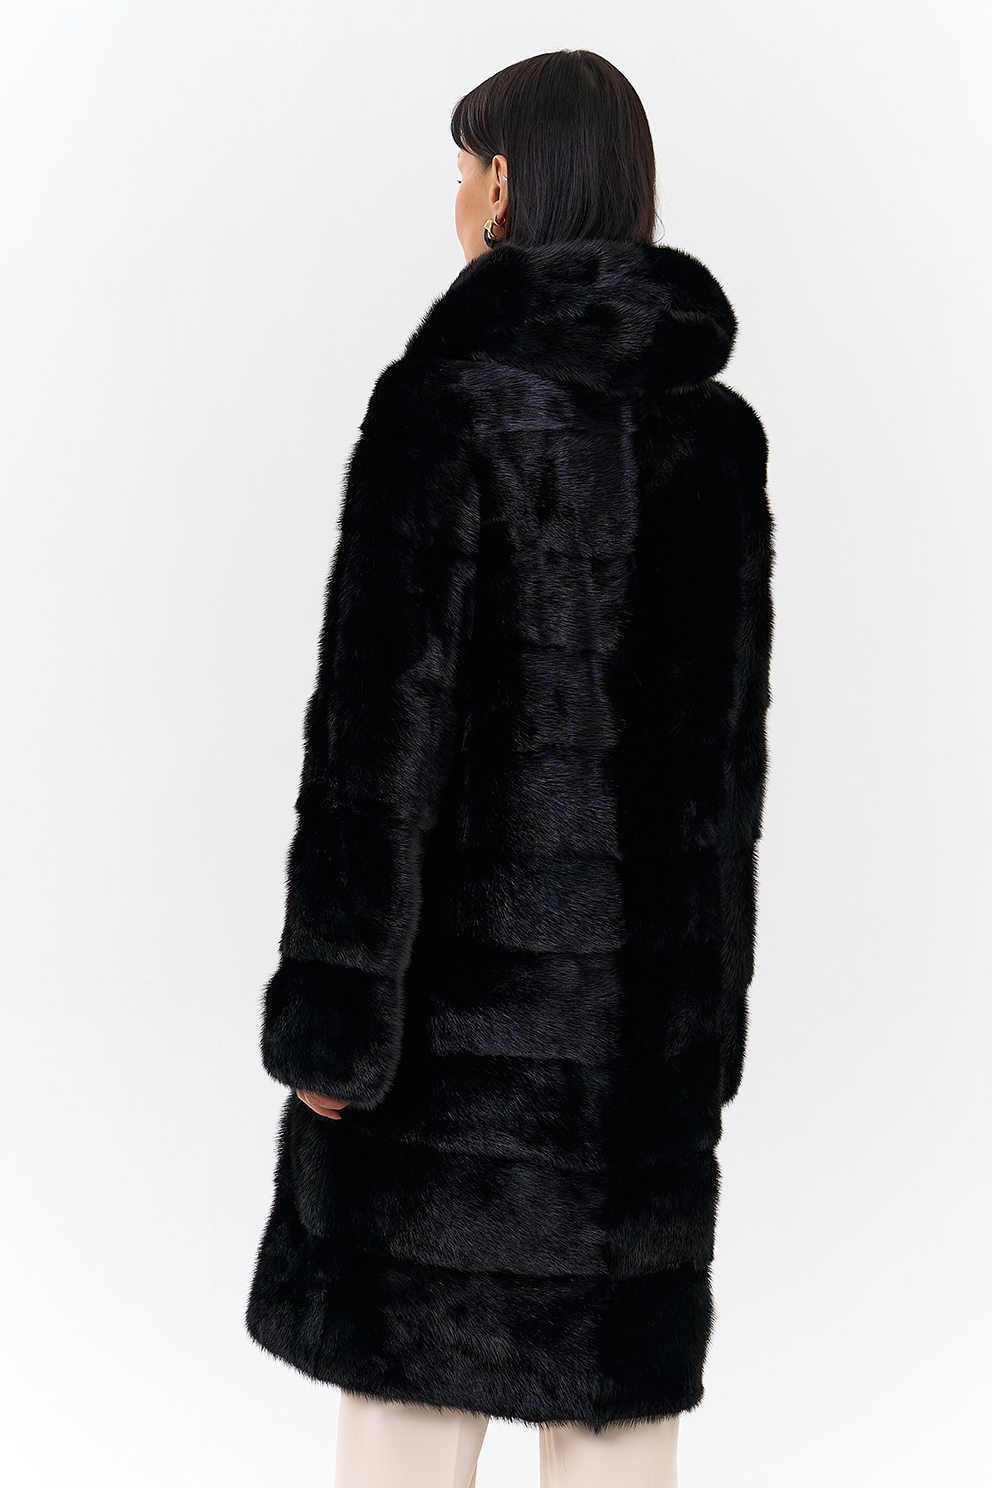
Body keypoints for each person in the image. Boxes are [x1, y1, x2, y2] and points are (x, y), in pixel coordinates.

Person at [245, 48, 774, 1488]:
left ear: (499, 184)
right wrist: (704, 1033)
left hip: (447, 1063)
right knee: (614, 1437)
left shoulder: (444, 410)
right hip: (636, 1070)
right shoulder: (717, 440)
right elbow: (728, 775)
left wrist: (334, 1032)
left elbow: (375, 752)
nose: (454, 201)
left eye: (462, 169)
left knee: (409, 1422)